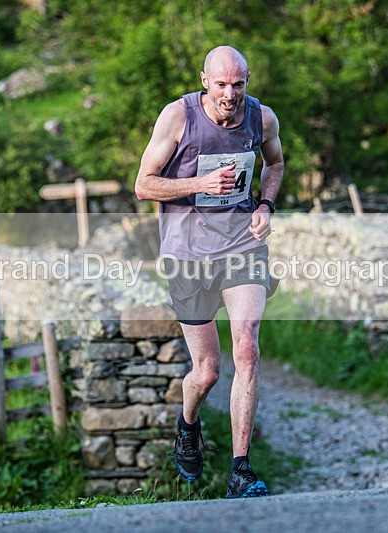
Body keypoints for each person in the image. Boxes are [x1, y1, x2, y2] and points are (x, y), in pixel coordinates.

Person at [135, 45, 284, 498]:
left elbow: (275, 163)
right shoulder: (177, 117)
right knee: (207, 372)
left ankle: (241, 469)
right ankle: (189, 425)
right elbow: (143, 184)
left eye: (238, 84)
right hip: (189, 254)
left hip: (242, 246)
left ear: (247, 81)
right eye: (220, 84)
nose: (229, 94)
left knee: (247, 346)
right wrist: (200, 183)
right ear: (205, 80)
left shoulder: (263, 119)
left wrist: (265, 204)